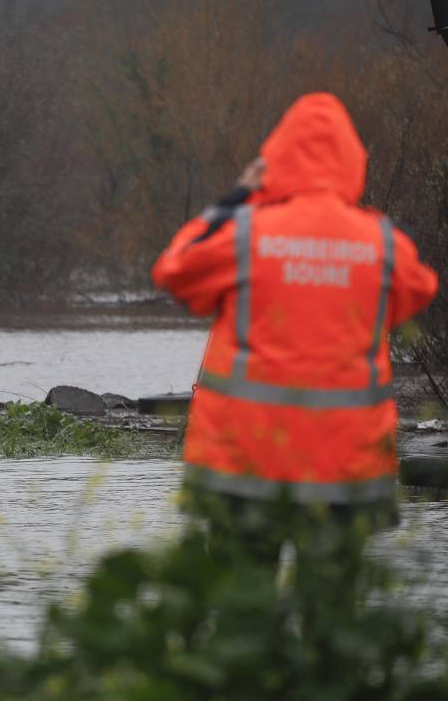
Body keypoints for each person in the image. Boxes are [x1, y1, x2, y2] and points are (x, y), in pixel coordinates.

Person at [151, 92, 437, 566]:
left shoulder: (245, 231)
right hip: (345, 472)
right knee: (332, 627)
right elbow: (418, 291)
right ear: (352, 162)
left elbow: (174, 269)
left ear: (275, 159)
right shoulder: (379, 241)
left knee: (242, 621)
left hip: (245, 469)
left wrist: (237, 196)